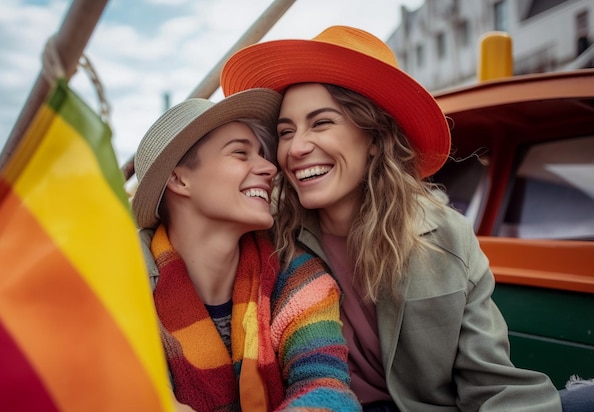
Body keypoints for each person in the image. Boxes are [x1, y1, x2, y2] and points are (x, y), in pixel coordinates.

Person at [220, 26, 568, 411]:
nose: (297, 148)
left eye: (321, 123)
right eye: (286, 132)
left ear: (374, 137)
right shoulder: (266, 236)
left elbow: (492, 383)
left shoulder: (446, 235)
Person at [131, 88, 361, 411]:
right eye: (240, 154)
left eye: (262, 154)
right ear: (179, 180)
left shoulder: (297, 277)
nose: (270, 168)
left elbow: (325, 386)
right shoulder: (127, 287)